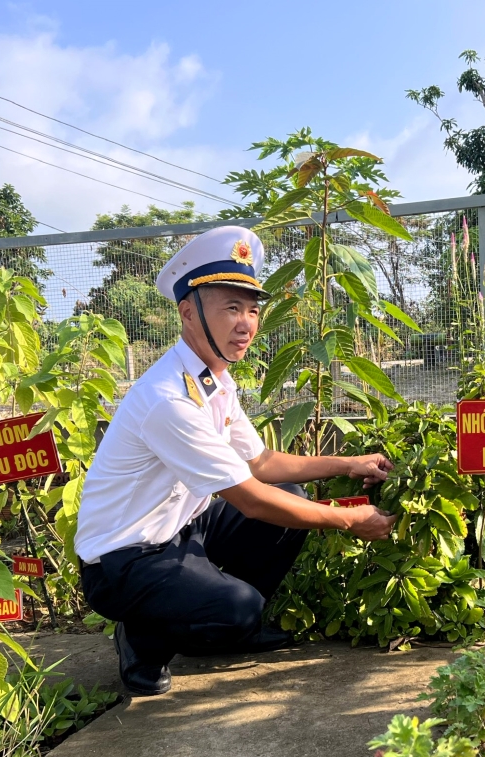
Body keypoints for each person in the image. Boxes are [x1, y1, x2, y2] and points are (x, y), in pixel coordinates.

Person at [75, 226, 397, 696]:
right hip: (123, 560)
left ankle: (212, 628)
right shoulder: (170, 398)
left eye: (251, 309)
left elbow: (261, 462)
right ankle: (144, 636)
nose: (245, 323)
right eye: (230, 308)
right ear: (187, 313)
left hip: (182, 529)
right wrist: (348, 520)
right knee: (239, 604)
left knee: (291, 497)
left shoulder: (214, 382)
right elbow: (249, 498)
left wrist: (346, 464)